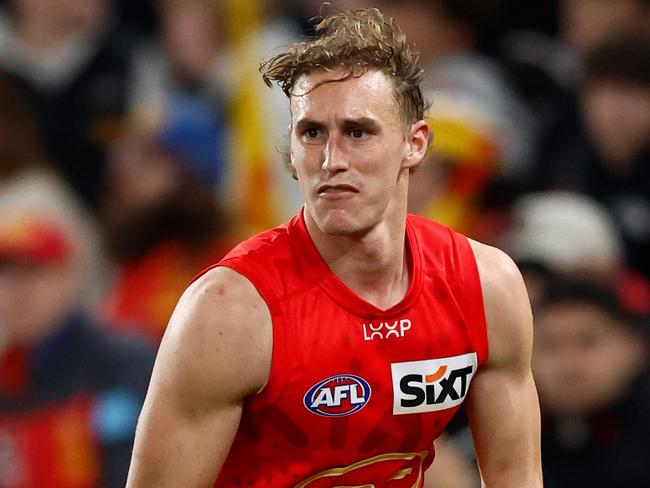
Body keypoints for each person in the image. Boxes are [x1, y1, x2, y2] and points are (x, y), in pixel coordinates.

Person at [127, 8, 542, 487]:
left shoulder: (486, 287)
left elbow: (516, 476)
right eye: (312, 133)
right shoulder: (228, 312)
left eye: (358, 132)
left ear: (415, 144)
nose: (331, 160)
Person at [0, 170, 155, 488]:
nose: (16, 291)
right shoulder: (7, 377)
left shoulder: (125, 361)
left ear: (71, 280)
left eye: (33, 272)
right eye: (5, 274)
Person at [532, 279, 650, 487]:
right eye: (549, 346)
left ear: (633, 346)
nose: (569, 367)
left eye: (587, 343)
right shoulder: (494, 439)